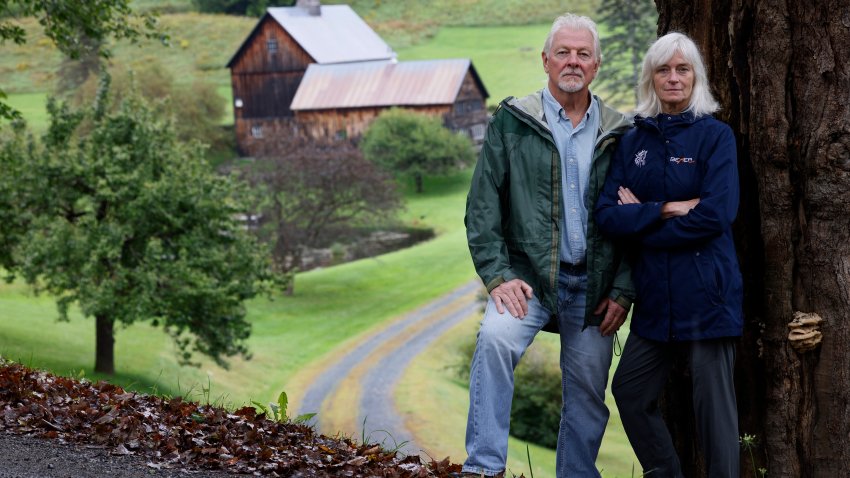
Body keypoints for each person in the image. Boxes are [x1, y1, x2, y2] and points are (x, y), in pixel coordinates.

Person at [462, 13, 635, 478]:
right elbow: (481, 210)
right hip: (529, 280)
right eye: (563, 52)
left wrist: (622, 291)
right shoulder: (514, 121)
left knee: (587, 393)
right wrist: (498, 276)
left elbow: (637, 224)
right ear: (545, 60)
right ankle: (482, 468)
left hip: (594, 289)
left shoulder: (622, 133)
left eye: (582, 54)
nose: (572, 61)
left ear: (596, 65)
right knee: (495, 343)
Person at [594, 32, 743, 477]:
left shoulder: (715, 137)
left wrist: (640, 222)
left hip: (707, 292)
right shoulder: (632, 141)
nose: (673, 78)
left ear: (695, 76)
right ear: (650, 78)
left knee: (713, 411)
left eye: (682, 69)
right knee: (630, 391)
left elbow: (716, 215)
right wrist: (665, 209)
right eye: (663, 69)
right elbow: (607, 215)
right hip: (656, 297)